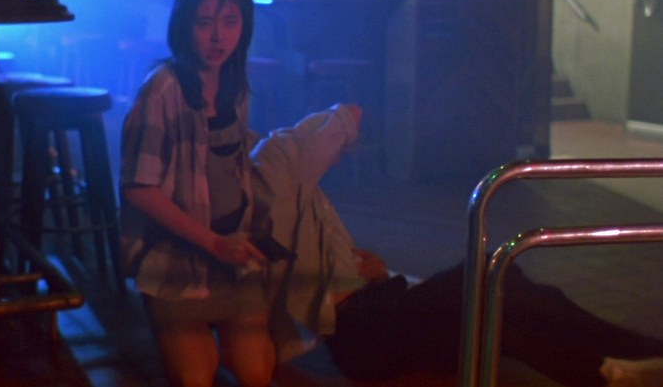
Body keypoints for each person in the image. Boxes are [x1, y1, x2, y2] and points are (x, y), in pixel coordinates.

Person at [249, 103, 663, 387]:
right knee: (492, 284)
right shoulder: (272, 161)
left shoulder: (303, 195)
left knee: (505, 297)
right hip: (363, 328)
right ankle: (621, 363)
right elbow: (346, 117)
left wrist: (370, 269)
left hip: (378, 308)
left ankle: (618, 366)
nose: (340, 154)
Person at [120, 0, 274, 387]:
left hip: (234, 257)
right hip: (176, 263)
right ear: (184, 26)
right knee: (195, 378)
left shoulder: (235, 86)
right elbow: (139, 188)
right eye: (205, 23)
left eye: (230, 22)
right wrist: (213, 243)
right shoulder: (162, 91)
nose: (218, 37)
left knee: (256, 370)